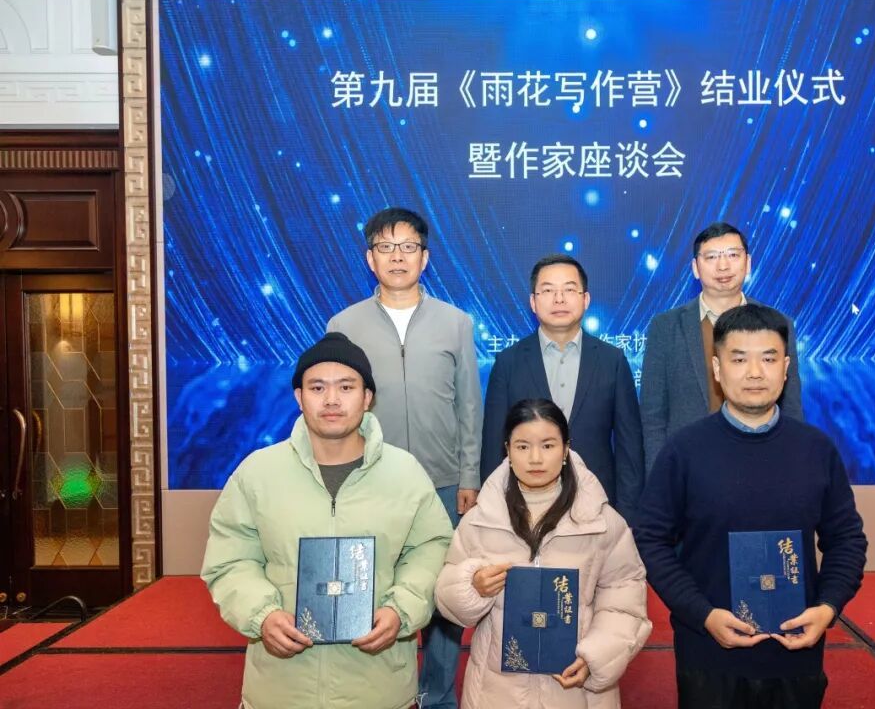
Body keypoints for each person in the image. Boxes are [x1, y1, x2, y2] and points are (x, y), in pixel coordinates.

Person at [201, 332, 453, 709]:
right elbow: (230, 561)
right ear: (299, 397)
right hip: (281, 690)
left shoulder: (405, 473)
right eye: (317, 387)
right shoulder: (257, 473)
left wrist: (401, 610)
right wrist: (262, 615)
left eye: (346, 387)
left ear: (367, 397)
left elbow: (432, 550)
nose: (332, 399)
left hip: (377, 687)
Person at [633, 305, 867, 709]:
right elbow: (651, 539)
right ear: (717, 368)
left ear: (786, 368)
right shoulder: (684, 450)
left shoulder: (816, 450)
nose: (755, 372)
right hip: (708, 654)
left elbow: (846, 539)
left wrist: (828, 608)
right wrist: (702, 614)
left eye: (769, 359)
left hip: (795, 652)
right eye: (739, 359)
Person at [327, 207, 481, 709]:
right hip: (371, 478)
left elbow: (469, 406)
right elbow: (336, 407)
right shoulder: (343, 325)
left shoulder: (456, 323)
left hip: (443, 480)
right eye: (386, 247)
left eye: (408, 247)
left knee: (442, 595)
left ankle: (437, 695)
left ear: (425, 258)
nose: (398, 257)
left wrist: (469, 475)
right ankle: (382, 692)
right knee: (373, 587)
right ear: (370, 259)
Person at [436, 398, 652, 709]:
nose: (535, 458)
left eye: (548, 446)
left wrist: (596, 657)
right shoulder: (481, 520)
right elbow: (447, 595)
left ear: (566, 450)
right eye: (522, 446)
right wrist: (473, 586)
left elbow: (625, 598)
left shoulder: (600, 521)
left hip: (576, 692)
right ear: (507, 451)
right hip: (496, 692)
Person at [480, 254, 644, 521]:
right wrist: (495, 511)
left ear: (585, 299)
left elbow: (630, 448)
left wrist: (627, 516)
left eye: (569, 289)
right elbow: (494, 445)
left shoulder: (612, 361)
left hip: (597, 504)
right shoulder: (508, 362)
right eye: (547, 291)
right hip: (525, 505)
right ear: (533, 302)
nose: (559, 299)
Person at [640, 222, 803, 472]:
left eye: (733, 255)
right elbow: (653, 417)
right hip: (689, 467)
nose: (723, 266)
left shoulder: (778, 324)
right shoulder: (665, 326)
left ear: (748, 263)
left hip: (762, 462)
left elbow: (791, 407)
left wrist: (792, 469)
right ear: (695, 268)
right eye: (712, 257)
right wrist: (660, 476)